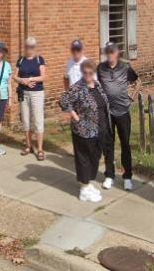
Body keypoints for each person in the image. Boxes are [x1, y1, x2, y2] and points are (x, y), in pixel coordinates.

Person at [59, 59, 111, 203]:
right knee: (84, 158)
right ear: (82, 72)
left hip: (100, 128)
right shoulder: (77, 87)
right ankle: (84, 188)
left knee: (95, 156)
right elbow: (63, 100)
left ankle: (88, 183)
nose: (88, 75)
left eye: (91, 72)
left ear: (94, 72)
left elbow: (103, 103)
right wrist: (74, 115)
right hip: (83, 129)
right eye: (85, 72)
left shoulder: (98, 85)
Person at [97, 42, 140, 191]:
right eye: (107, 52)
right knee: (108, 145)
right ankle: (109, 176)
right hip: (106, 113)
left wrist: (132, 98)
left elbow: (138, 82)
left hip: (122, 112)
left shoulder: (125, 67)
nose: (109, 55)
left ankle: (127, 176)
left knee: (125, 145)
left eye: (112, 52)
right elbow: (95, 85)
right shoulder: (100, 68)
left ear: (117, 53)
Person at [13, 36, 46, 160]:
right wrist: (23, 81)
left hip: (37, 93)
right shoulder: (21, 60)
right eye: (27, 46)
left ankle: (40, 148)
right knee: (26, 120)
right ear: (24, 47)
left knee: (37, 120)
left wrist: (30, 79)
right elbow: (14, 76)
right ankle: (28, 145)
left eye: (32, 47)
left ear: (34, 48)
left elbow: (43, 77)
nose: (29, 49)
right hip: (24, 93)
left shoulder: (39, 60)